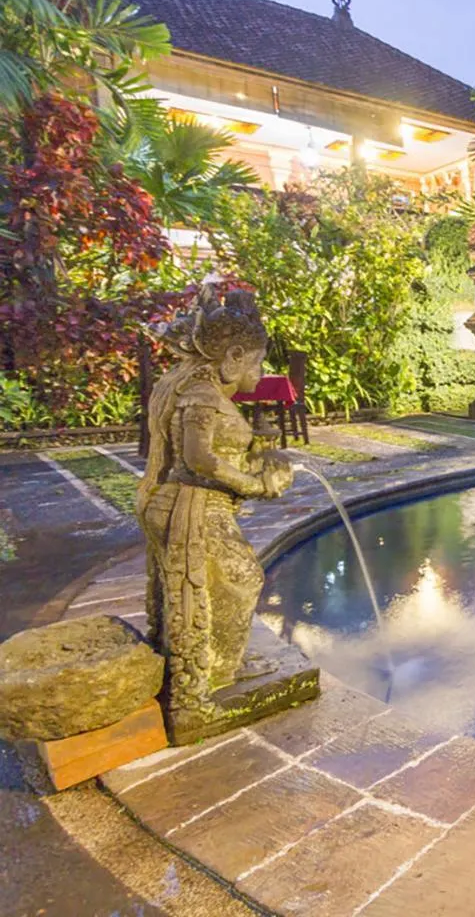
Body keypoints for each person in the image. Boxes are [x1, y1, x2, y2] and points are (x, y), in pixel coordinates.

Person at [136, 281, 293, 737]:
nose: (260, 372)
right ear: (234, 358)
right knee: (227, 583)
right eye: (258, 361)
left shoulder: (184, 382)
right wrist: (255, 485)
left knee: (198, 589)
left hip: (171, 501)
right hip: (189, 507)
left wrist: (256, 456)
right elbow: (198, 460)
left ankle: (210, 669)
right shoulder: (203, 394)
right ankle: (193, 699)